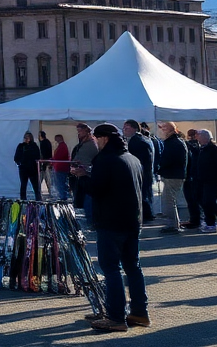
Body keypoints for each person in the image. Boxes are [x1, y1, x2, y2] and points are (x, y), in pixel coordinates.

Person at [70, 123, 149, 332]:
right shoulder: (131, 158)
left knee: (112, 269)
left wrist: (82, 176)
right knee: (133, 267)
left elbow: (97, 189)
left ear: (103, 138)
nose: (95, 142)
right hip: (132, 220)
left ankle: (116, 317)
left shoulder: (107, 159)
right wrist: (88, 174)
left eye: (97, 139)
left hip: (112, 222)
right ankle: (140, 312)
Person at [193, 129, 217, 233]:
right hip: (203, 180)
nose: (197, 138)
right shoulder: (202, 149)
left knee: (208, 201)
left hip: (213, 180)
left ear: (205, 137)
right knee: (202, 200)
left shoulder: (214, 149)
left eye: (199, 136)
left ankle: (212, 222)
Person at [155, 122, 188, 234]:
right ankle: (173, 224)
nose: (162, 131)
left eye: (163, 128)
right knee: (169, 201)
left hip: (172, 175)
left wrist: (159, 168)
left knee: (169, 201)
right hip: (174, 174)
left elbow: (168, 160)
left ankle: (172, 225)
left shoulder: (173, 143)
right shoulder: (177, 142)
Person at [124, 120, 155, 223]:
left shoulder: (138, 141)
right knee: (143, 194)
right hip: (143, 172)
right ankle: (146, 215)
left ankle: (146, 215)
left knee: (143, 195)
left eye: (127, 128)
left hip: (143, 172)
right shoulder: (136, 140)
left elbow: (141, 159)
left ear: (135, 128)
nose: (124, 130)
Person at [71, 123, 98, 220]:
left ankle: (91, 220)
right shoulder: (82, 143)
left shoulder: (91, 143)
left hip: (88, 176)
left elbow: (89, 160)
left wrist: (85, 170)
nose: (78, 133)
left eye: (80, 131)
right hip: (81, 175)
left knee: (88, 200)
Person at [182, 129, 201, 229]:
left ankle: (195, 220)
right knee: (196, 199)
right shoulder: (200, 146)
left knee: (191, 199)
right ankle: (196, 219)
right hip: (196, 175)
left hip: (190, 175)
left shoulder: (188, 146)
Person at [14, 132, 42, 200]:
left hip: (33, 168)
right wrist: (20, 163)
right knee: (23, 184)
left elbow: (38, 156)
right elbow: (16, 157)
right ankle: (23, 198)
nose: (26, 139)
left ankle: (38, 198)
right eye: (25, 138)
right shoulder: (21, 146)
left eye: (28, 137)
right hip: (23, 168)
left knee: (35, 185)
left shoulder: (34, 146)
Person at [51, 134, 71, 202]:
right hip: (60, 167)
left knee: (60, 182)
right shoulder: (61, 146)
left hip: (61, 167)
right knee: (61, 182)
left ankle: (63, 196)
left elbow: (58, 156)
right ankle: (62, 196)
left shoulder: (62, 146)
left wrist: (52, 160)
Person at [38, 130, 54, 195]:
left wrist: (42, 161)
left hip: (44, 163)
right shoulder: (48, 142)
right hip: (47, 162)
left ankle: (39, 191)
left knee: (44, 178)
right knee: (47, 178)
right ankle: (50, 191)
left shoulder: (43, 143)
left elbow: (43, 153)